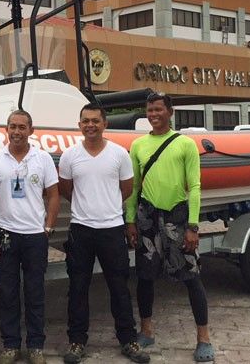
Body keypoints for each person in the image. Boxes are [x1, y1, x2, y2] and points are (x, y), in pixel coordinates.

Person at [125, 93, 214, 363]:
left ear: (170, 112)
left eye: (159, 109)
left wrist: (193, 226)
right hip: (147, 217)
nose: (153, 114)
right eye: (150, 110)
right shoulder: (138, 145)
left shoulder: (185, 144)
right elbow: (134, 188)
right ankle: (147, 330)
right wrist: (130, 220)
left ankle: (204, 337)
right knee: (145, 276)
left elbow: (195, 187)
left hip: (177, 216)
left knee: (191, 277)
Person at [58, 104, 149, 364]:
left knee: (119, 287)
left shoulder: (119, 154)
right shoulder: (70, 156)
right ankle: (76, 341)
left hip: (111, 228)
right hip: (81, 229)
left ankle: (128, 340)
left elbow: (127, 189)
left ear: (104, 123)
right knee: (77, 287)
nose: (90, 125)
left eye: (95, 121)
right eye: (85, 121)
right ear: (79, 125)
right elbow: (67, 189)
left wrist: (105, 207)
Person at [0, 110, 61, 364]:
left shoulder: (43, 158)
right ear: (6, 129)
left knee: (35, 292)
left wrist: (48, 227)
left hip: (35, 236)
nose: (17, 131)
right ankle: (10, 345)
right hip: (5, 234)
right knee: (8, 293)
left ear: (31, 130)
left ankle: (36, 346)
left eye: (22, 127)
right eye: (12, 126)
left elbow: (54, 194)